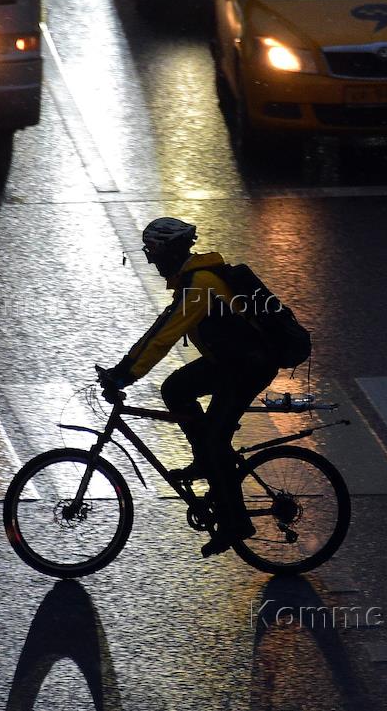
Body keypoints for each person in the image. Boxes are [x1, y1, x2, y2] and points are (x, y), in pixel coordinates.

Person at [100, 217, 280, 557]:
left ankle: (235, 521)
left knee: (214, 439)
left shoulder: (201, 285)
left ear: (170, 250)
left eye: (152, 250)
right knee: (175, 389)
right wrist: (120, 368)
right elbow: (159, 329)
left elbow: (164, 339)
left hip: (249, 366)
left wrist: (124, 378)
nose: (150, 259)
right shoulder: (191, 282)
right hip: (228, 361)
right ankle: (207, 461)